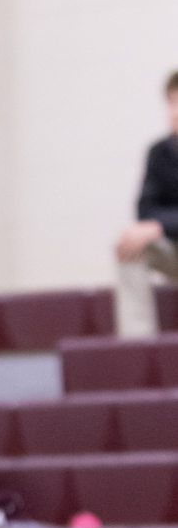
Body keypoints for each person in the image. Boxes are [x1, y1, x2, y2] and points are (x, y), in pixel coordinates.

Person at [116, 70, 178, 337]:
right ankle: (138, 341)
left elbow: (154, 221)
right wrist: (154, 228)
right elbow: (145, 210)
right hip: (173, 249)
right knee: (130, 246)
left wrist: (159, 225)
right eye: (173, 102)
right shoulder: (158, 153)